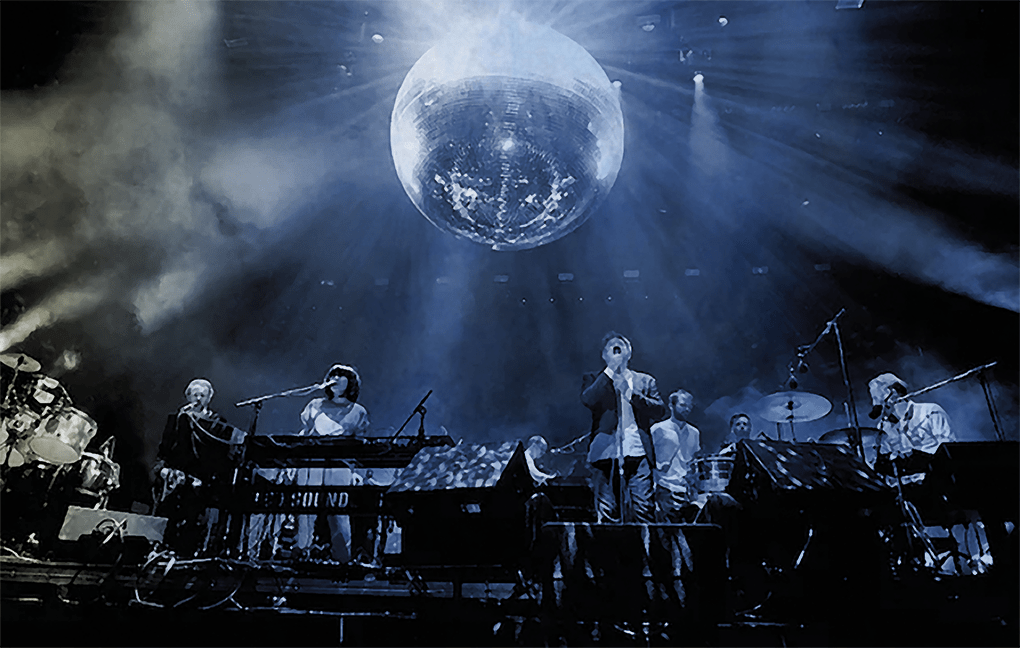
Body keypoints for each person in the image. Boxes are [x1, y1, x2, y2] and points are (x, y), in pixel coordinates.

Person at [582, 332, 667, 524]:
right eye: (612, 349)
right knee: (607, 512)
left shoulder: (645, 380)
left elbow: (659, 411)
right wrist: (610, 371)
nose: (616, 352)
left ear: (629, 353)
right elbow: (588, 399)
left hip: (639, 453)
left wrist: (630, 393)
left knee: (644, 510)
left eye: (620, 348)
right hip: (605, 454)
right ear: (604, 355)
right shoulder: (594, 378)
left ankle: (646, 544)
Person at [153, 378, 245, 557]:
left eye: (202, 395)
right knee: (168, 516)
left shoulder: (216, 422)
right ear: (188, 396)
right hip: (176, 478)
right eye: (195, 394)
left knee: (193, 520)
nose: (198, 398)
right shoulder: (177, 418)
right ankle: (163, 551)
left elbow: (221, 456)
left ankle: (186, 554)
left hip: (201, 480)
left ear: (209, 398)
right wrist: (161, 468)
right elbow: (164, 449)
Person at [295, 364, 370, 562]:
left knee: (338, 512)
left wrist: (356, 471)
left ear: (350, 382)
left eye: (341, 375)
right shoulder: (315, 405)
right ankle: (302, 552)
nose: (335, 378)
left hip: (340, 464)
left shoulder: (358, 411)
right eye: (333, 375)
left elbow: (360, 445)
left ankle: (342, 559)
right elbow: (304, 433)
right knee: (305, 509)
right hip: (312, 462)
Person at [868, 373, 954, 480]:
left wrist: (916, 457)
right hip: (905, 485)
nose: (874, 404)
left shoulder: (931, 412)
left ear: (892, 393)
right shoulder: (883, 428)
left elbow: (949, 452)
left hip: (937, 478)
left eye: (876, 398)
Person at [651, 390, 701, 523]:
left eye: (690, 406)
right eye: (683, 405)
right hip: (663, 488)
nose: (687, 409)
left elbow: (693, 460)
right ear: (671, 406)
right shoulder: (658, 429)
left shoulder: (694, 432)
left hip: (685, 490)